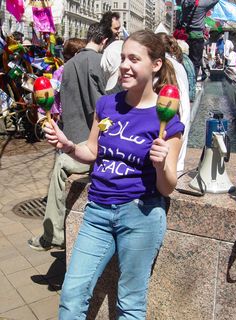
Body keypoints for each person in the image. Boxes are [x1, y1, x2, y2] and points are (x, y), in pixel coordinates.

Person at [44, 29, 184, 319]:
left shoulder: (166, 117)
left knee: (130, 304)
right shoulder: (106, 105)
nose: (124, 65)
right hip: (97, 212)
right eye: (122, 58)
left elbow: (167, 187)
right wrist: (68, 146)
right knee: (72, 293)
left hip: (141, 214)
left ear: (155, 64)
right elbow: (92, 152)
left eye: (134, 58)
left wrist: (161, 164)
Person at [28, 23, 110, 251]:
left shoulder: (66, 67)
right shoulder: (100, 62)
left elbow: (58, 105)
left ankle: (52, 234)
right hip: (86, 141)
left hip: (75, 137)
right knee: (63, 166)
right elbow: (101, 107)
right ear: (104, 41)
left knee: (61, 166)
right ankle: (53, 234)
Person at [157, 33, 190, 173]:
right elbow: (185, 117)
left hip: (165, 161)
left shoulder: (167, 68)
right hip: (174, 161)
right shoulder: (180, 66)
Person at [178, 0, 219, 80]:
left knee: (184, 60)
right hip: (197, 37)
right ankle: (192, 82)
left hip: (185, 37)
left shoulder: (184, 2)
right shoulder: (202, 4)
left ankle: (183, 80)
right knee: (195, 63)